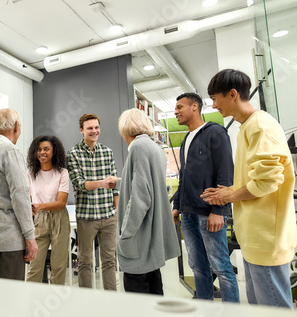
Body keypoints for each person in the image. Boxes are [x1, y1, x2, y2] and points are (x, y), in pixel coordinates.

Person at [201, 69, 296, 308]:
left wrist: (231, 194)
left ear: (232, 94)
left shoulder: (260, 126)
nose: (214, 105)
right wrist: (228, 191)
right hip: (256, 239)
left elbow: (266, 181)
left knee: (272, 308)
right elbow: (255, 178)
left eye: (215, 98)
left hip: (266, 239)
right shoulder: (247, 127)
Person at [172, 93, 240, 302]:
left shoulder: (215, 133)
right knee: (198, 267)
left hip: (210, 214)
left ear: (194, 107)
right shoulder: (186, 140)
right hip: (188, 214)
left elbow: (226, 173)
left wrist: (219, 211)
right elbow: (184, 177)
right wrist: (177, 206)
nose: (176, 112)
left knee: (221, 267)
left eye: (180, 107)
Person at [116, 108, 180, 294]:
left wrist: (125, 233)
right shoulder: (154, 148)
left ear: (125, 127)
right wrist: (119, 182)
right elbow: (150, 183)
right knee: (153, 283)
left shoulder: (137, 147)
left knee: (137, 292)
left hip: (139, 234)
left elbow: (141, 196)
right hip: (151, 235)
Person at [0, 108, 38, 280]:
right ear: (16, 126)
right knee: (10, 300)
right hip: (8, 237)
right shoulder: (9, 150)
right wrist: (30, 236)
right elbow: (20, 194)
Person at [66, 113, 119, 290]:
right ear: (81, 130)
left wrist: (116, 211)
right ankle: (86, 301)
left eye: (96, 127)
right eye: (90, 128)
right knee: (85, 261)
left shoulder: (107, 152)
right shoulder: (73, 154)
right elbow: (79, 184)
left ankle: (110, 299)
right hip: (87, 217)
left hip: (108, 215)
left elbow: (115, 185)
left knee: (109, 261)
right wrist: (102, 183)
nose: (94, 131)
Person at [26, 135, 71, 285]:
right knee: (35, 265)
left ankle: (55, 301)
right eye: (39, 149)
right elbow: (27, 198)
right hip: (39, 220)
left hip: (59, 219)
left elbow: (61, 203)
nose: (42, 152)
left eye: (46, 149)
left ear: (54, 152)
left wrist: (39, 206)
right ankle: (31, 300)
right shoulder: (31, 174)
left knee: (58, 266)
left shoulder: (62, 173)